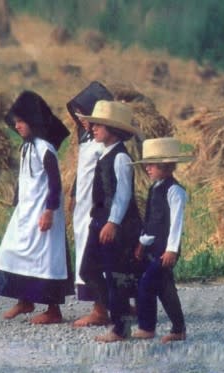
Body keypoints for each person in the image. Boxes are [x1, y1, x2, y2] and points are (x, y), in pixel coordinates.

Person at [0, 90, 72, 324]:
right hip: (25, 213)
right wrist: (17, 201)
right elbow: (25, 178)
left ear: (33, 122)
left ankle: (53, 310)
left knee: (46, 259)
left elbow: (55, 182)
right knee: (11, 252)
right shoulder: (27, 147)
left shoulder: (44, 148)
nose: (17, 126)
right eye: (15, 122)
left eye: (21, 122)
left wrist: (49, 210)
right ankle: (24, 301)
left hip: (43, 213)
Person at [76, 100, 143, 342]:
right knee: (88, 269)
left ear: (112, 130)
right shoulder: (106, 153)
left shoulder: (121, 157)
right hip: (101, 221)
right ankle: (112, 312)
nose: (93, 128)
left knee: (116, 276)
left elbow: (123, 193)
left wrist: (113, 222)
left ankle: (120, 327)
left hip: (116, 225)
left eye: (99, 125)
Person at [131, 137, 192, 344]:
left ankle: (147, 327)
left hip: (166, 249)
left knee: (147, 283)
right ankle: (178, 328)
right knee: (165, 288)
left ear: (165, 166)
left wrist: (172, 249)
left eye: (152, 165)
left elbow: (176, 222)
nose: (147, 168)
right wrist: (142, 242)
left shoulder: (175, 191)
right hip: (154, 247)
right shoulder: (155, 188)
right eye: (146, 164)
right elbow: (151, 222)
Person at [66, 81, 114, 327]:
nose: (80, 119)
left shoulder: (105, 138)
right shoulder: (85, 135)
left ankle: (101, 308)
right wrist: (74, 193)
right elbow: (82, 168)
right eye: (77, 115)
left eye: (84, 114)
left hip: (98, 205)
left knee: (95, 255)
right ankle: (114, 304)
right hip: (84, 202)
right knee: (88, 249)